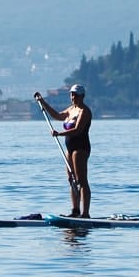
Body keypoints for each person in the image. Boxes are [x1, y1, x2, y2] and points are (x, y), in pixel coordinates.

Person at [34, 84, 93, 218]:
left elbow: (78, 130)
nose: (73, 97)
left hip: (81, 148)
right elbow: (57, 115)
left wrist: (59, 134)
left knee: (82, 181)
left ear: (82, 96)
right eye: (72, 94)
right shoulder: (71, 110)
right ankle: (75, 210)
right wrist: (43, 102)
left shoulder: (85, 111)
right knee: (71, 179)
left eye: (76, 95)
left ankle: (85, 213)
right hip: (70, 148)